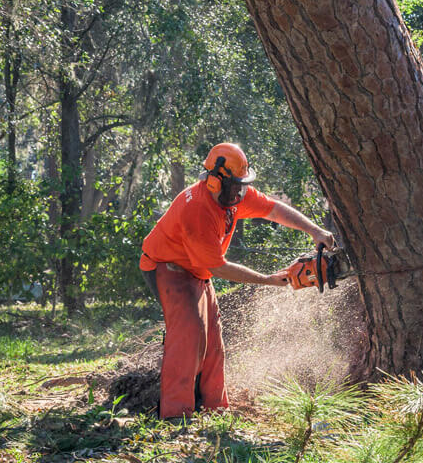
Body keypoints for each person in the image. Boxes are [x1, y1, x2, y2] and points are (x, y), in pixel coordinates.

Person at [139, 142, 335, 419]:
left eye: (243, 184)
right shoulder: (197, 210)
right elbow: (218, 268)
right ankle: (175, 415)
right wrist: (267, 280)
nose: (240, 192)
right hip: (168, 267)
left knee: (214, 341)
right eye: (235, 185)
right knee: (189, 334)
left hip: (198, 271)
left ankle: (214, 407)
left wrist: (313, 230)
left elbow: (274, 210)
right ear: (215, 181)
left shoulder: (234, 196)